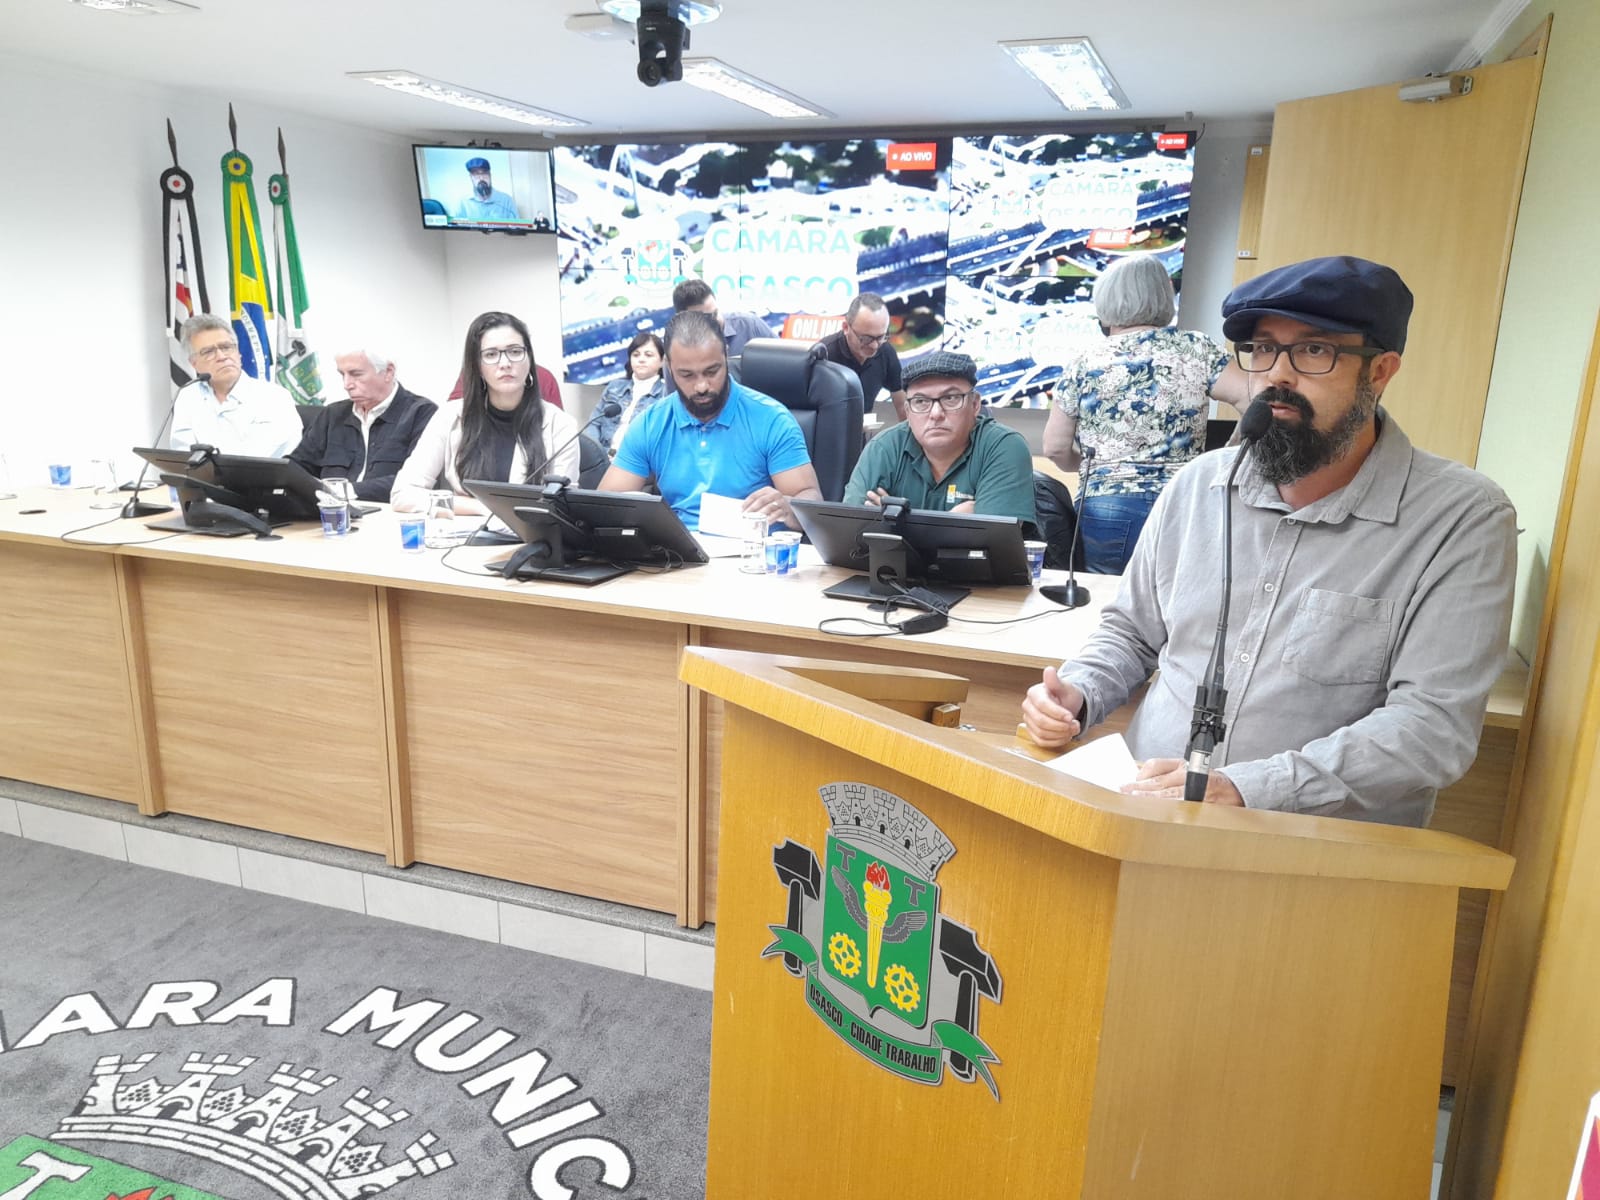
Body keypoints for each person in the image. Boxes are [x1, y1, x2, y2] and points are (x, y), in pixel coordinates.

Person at [1021, 256, 1517, 828]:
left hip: (1310, 853)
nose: (1277, 375)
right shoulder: (1197, 485)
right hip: (1137, 815)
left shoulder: (1461, 519)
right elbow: (1131, 632)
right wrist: (1079, 692)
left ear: (1379, 372)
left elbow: (1432, 727)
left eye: (1313, 350)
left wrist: (1246, 788)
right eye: (1261, 349)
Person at [1042, 255, 1249, 574]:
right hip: (1183, 499)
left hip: (1108, 504)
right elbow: (1256, 400)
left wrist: (1087, 467)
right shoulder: (1195, 348)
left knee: (1106, 598)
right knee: (1173, 598)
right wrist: (1225, 457)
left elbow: (1055, 447)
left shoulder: (1085, 361)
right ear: (1164, 296)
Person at [598, 310, 821, 531]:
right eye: (687, 375)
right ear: (669, 367)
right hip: (678, 548)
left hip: (753, 548)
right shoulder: (651, 423)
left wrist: (788, 507)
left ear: (726, 355)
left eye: (712, 371)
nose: (702, 386)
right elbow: (606, 507)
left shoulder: (771, 419)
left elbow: (811, 500)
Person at [392, 311, 580, 515]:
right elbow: (403, 494)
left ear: (529, 359)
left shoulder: (560, 424)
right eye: (491, 355)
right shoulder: (449, 416)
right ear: (477, 366)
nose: (505, 363)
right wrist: (482, 508)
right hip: (466, 531)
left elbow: (560, 507)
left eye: (515, 351)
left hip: (532, 533)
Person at [843, 351, 1036, 529]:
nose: (936, 413)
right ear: (908, 411)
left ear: (975, 404)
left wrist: (896, 525)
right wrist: (952, 522)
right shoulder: (883, 447)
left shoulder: (1004, 446)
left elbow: (994, 541)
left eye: (950, 398)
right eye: (921, 401)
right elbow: (850, 531)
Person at [288, 347, 436, 502]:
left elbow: (416, 481)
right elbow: (296, 467)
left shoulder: (421, 413)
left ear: (388, 372)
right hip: (330, 511)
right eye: (342, 374)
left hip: (388, 511)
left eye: (356, 374)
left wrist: (344, 491)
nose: (347, 384)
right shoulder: (332, 415)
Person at [170, 314, 303, 458]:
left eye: (226, 347)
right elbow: (182, 454)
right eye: (208, 352)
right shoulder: (188, 396)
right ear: (194, 363)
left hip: (262, 473)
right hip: (202, 473)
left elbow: (282, 456)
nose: (221, 357)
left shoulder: (275, 397)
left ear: (238, 353)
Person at [808, 293, 909, 421]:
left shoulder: (886, 352)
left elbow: (902, 406)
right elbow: (806, 410)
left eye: (881, 337)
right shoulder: (824, 355)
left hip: (863, 427)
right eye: (866, 338)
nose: (874, 346)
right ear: (846, 327)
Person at [585, 331, 667, 456]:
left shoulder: (666, 394)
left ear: (662, 361)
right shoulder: (614, 387)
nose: (641, 360)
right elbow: (594, 424)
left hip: (638, 461)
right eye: (636, 355)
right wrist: (598, 454)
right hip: (603, 457)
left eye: (648, 355)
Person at [672, 278, 774, 358]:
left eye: (715, 313)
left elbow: (782, 362)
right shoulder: (677, 349)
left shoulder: (750, 325)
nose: (714, 322)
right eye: (704, 320)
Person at [453, 157, 519, 223]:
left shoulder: (506, 200)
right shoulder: (463, 202)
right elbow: (456, 227)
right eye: (476, 174)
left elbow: (516, 227)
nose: (481, 178)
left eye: (484, 173)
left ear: (490, 175)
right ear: (471, 178)